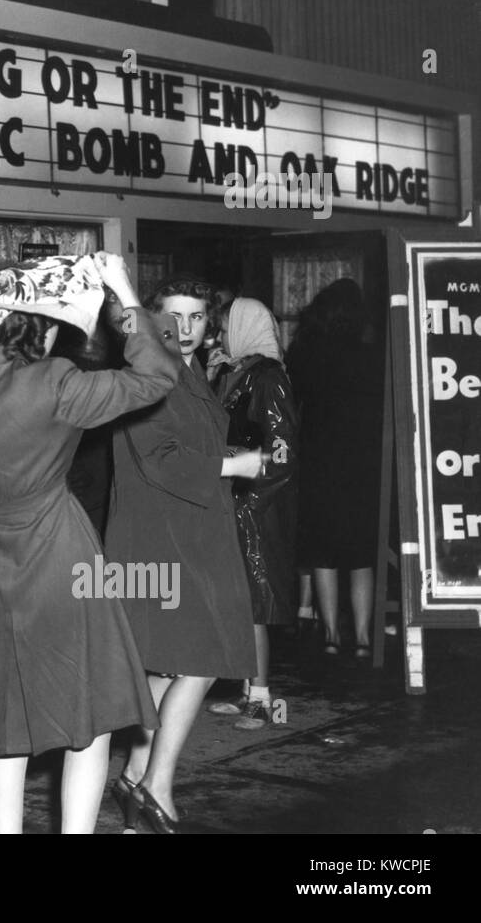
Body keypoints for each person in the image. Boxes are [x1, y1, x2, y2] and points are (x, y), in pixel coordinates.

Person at [0, 254, 179, 833]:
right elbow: (157, 378)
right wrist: (123, 295)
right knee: (86, 718)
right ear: (37, 329)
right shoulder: (56, 382)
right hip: (60, 555)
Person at [107, 276, 262, 834]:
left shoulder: (185, 369)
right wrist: (234, 465)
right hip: (162, 537)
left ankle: (134, 775)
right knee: (201, 657)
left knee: (163, 663)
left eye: (197, 317)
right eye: (174, 317)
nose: (187, 328)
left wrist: (225, 455)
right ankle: (157, 788)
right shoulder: (151, 374)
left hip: (185, 530)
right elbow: (162, 457)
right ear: (152, 321)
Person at [206, 298, 299, 728]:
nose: (219, 336)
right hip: (239, 497)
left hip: (254, 503)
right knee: (243, 601)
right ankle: (249, 690)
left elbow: (281, 451)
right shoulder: (241, 373)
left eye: (224, 328)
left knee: (256, 602)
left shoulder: (268, 378)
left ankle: (261, 697)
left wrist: (249, 496)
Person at [286, 278, 380, 658]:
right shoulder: (370, 354)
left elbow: (295, 402)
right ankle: (361, 636)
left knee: (322, 551)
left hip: (319, 456)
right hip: (362, 458)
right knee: (361, 554)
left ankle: (329, 634)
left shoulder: (307, 350)